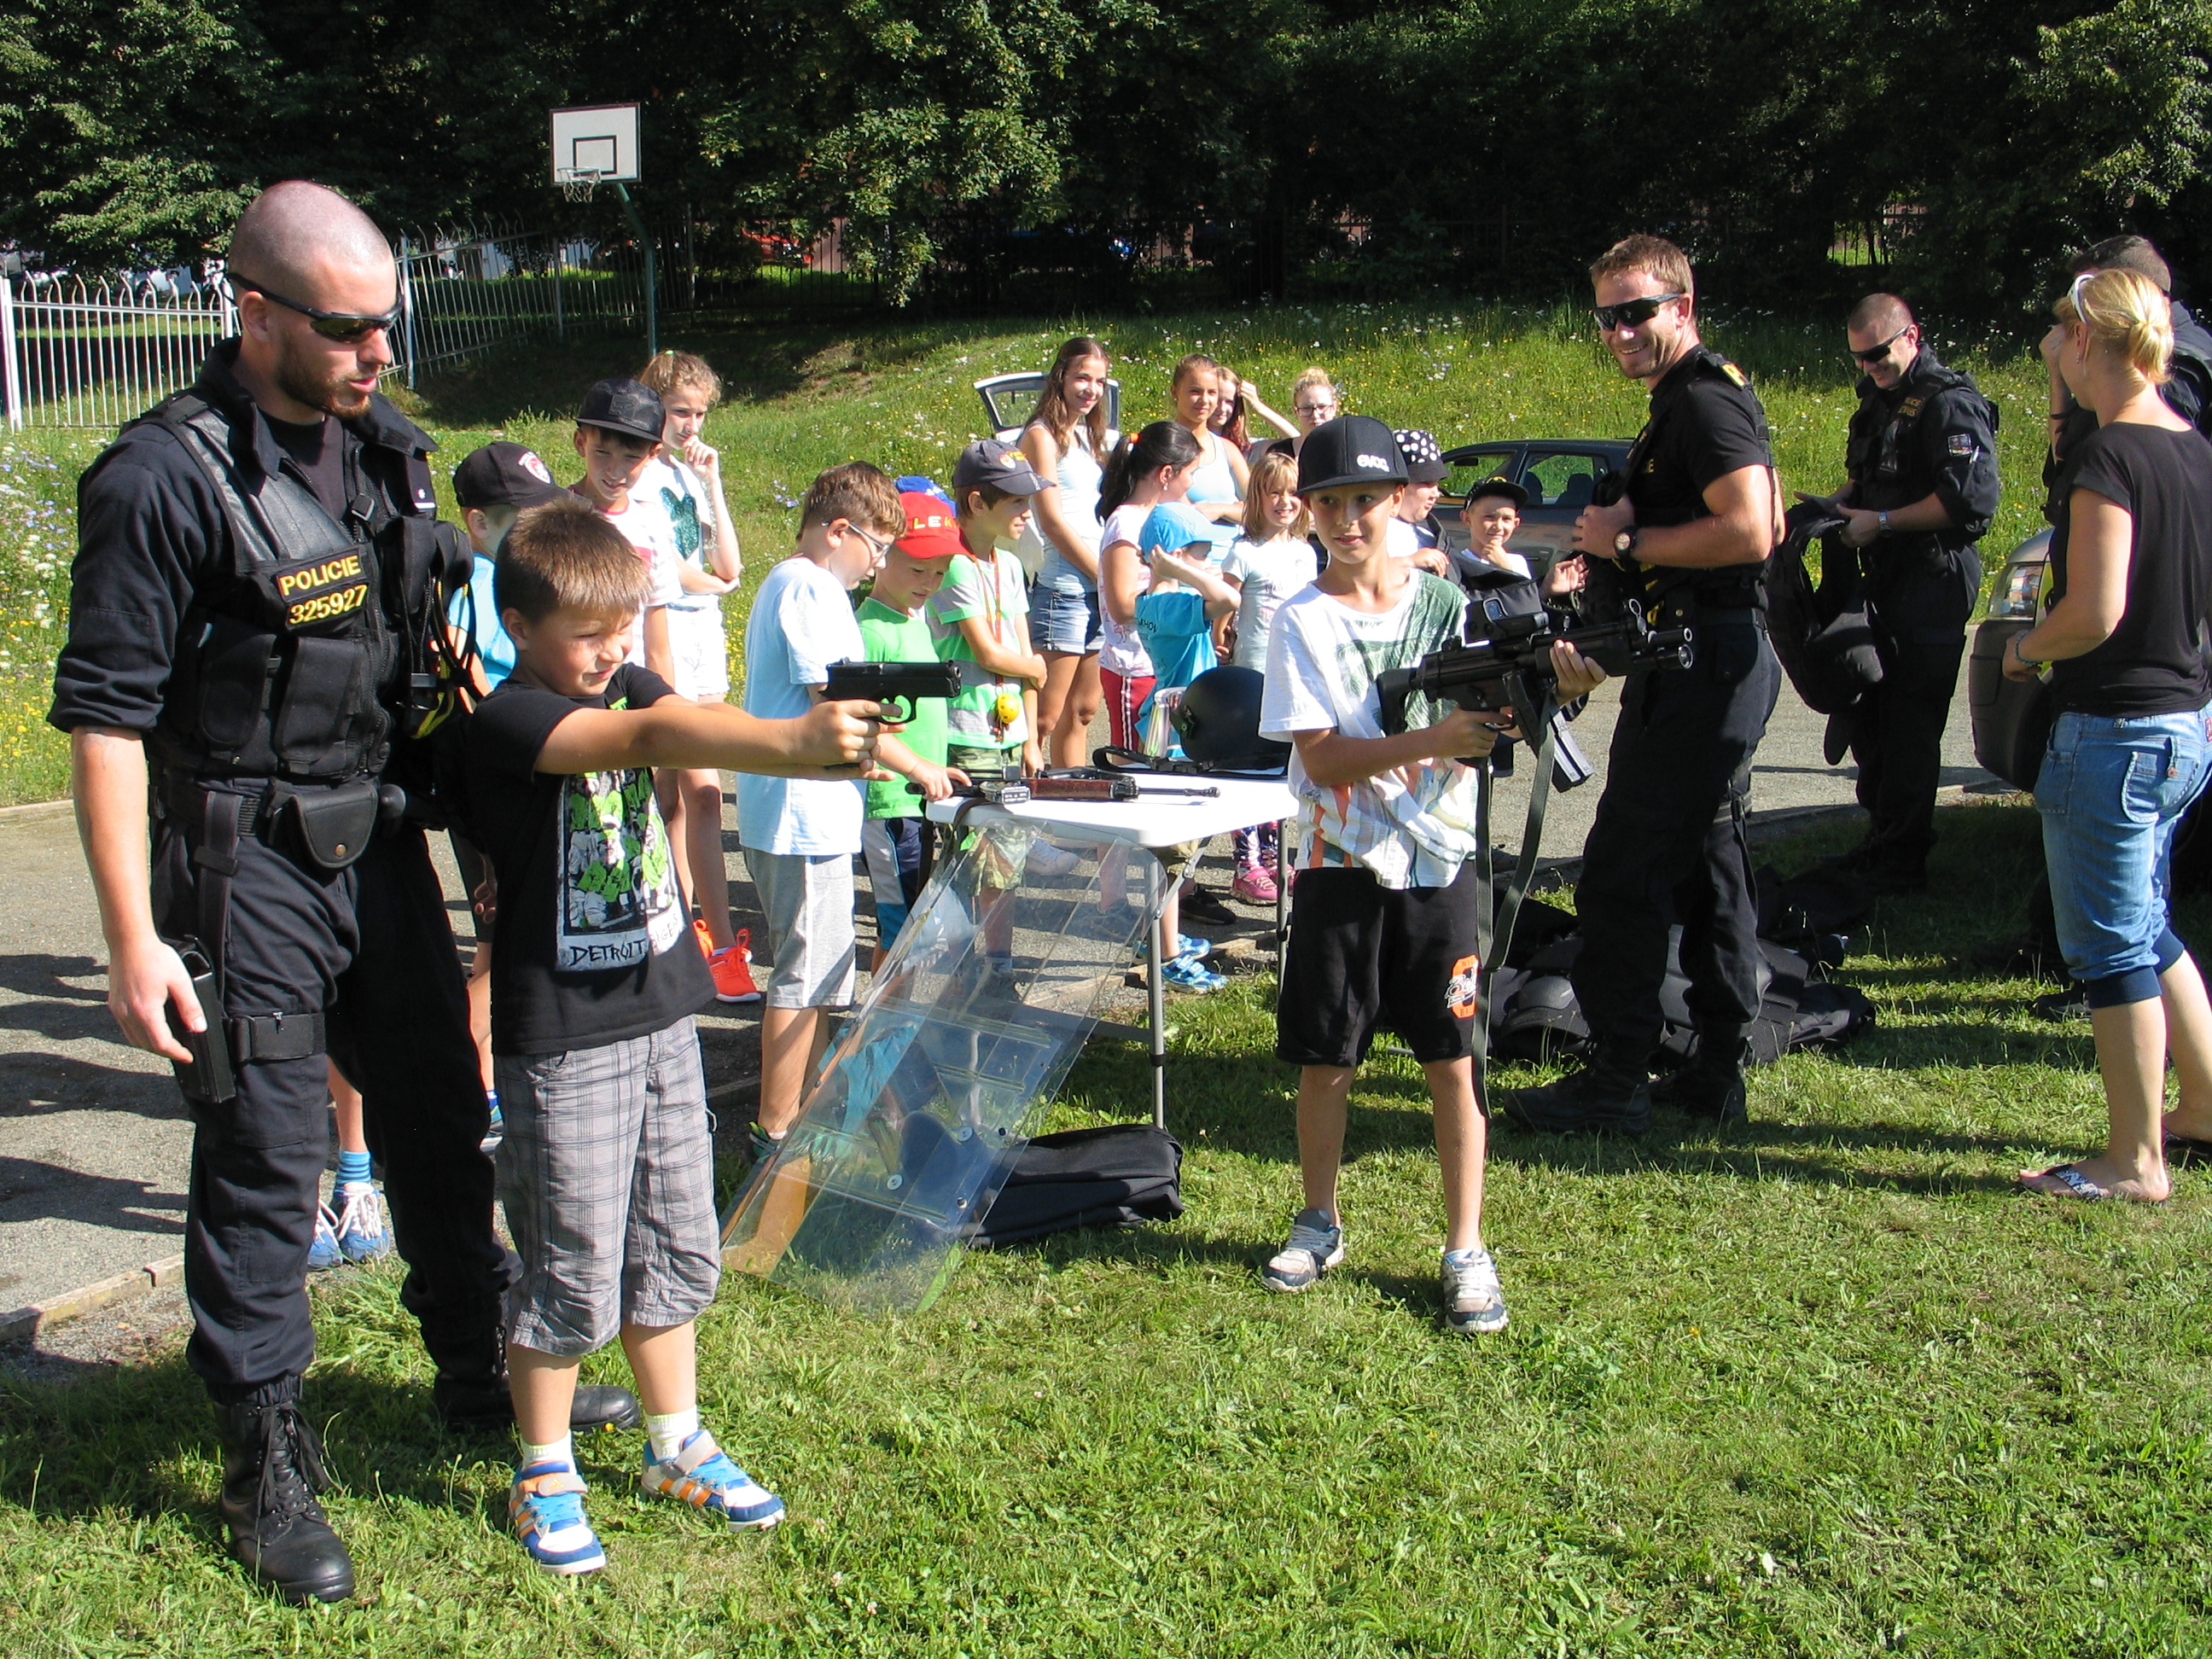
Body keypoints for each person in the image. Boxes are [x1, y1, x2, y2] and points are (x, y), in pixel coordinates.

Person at [46, 181, 637, 1607]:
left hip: (379, 839)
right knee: (267, 1153)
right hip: (243, 857)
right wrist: (133, 938)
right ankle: (263, 1449)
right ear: (253, 312)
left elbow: (446, 654)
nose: (378, 351)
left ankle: (476, 1365)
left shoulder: (389, 459)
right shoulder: (162, 477)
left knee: (442, 1112)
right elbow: (106, 720)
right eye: (349, 328)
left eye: (390, 324)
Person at [463, 499, 884, 1572]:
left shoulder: (617, 673)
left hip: (659, 1019)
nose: (612, 655)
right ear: (518, 626)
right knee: (574, 1262)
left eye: (624, 628)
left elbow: (678, 704)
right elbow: (648, 735)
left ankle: (673, 1441)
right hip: (562, 1039)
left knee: (673, 1244)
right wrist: (793, 743)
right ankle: (545, 1466)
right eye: (585, 636)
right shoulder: (512, 725)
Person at [1254, 415, 1605, 1331]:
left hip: (1442, 863)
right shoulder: (1300, 618)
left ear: (1400, 502)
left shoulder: (1450, 608)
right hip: (1339, 865)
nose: (1347, 519)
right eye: (1327, 503)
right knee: (1328, 1058)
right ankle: (1319, 1218)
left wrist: (1558, 690)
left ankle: (1465, 1247)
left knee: (1454, 1063)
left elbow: (1506, 719)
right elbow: (1323, 760)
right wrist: (1434, 739)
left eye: (1363, 500)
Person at [1504, 234, 1783, 1136]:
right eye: (1607, 317)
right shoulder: (1688, 400)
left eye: (1637, 312)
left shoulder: (1704, 403)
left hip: (1709, 663)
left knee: (1624, 873)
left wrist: (1621, 543)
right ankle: (1712, 1065)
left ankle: (1618, 1074)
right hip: (1699, 661)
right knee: (1709, 868)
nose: (1620, 331)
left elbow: (1752, 530)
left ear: (1683, 308)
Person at [2005, 269, 2212, 1203]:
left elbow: (2093, 609)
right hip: (2184, 725)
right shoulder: (2193, 448)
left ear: (2090, 340)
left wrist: (2025, 653)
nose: (2052, 350)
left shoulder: (2111, 459)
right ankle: (2200, 1108)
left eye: (2061, 336)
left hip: (2115, 734)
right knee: (2147, 926)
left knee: (2111, 948)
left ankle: (2134, 1163)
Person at [738, 463, 950, 1170]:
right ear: (839, 532)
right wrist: (913, 762)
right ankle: (773, 1132)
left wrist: (906, 757)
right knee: (806, 973)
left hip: (815, 813)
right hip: (800, 816)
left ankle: (801, 1117)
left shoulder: (811, 586)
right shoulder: (806, 585)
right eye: (878, 548)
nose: (880, 565)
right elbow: (834, 698)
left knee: (827, 970)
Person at [1813, 293, 2001, 894]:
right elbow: (1872, 478)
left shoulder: (1949, 404)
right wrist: (1835, 507)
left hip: (1933, 576)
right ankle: (1883, 837)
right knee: (1874, 714)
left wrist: (1885, 523)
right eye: (1860, 359)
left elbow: (1968, 502)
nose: (1870, 366)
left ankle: (1903, 859)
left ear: (1912, 335)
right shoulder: (1880, 398)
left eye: (1879, 354)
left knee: (1912, 723)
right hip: (1886, 573)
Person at [449, 441, 569, 1144]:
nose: (528, 530)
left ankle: (496, 1078)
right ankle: (483, 1087)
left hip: (531, 779)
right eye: (514, 518)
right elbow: (470, 695)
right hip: (493, 786)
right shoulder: (470, 585)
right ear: (475, 522)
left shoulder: (517, 583)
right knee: (496, 946)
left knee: (516, 939)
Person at [634, 350, 754, 1001]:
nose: (691, 425)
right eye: (681, 411)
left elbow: (728, 560)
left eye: (700, 413)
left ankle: (695, 934)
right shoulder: (643, 477)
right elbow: (668, 566)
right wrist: (717, 581)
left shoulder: (685, 473)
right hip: (667, 629)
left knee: (689, 795)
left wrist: (712, 483)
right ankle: (702, 936)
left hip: (705, 632)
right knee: (688, 791)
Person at [861, 492, 965, 965]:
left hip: (922, 799)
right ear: (881, 557)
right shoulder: (869, 630)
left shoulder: (914, 622)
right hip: (890, 805)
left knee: (919, 922)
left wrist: (936, 768)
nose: (930, 582)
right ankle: (881, 1033)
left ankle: (898, 1025)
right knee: (900, 928)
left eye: (940, 571)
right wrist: (918, 769)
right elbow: (864, 722)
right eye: (918, 568)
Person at [1220, 451, 1317, 901]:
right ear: (1256, 497)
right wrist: (1221, 637)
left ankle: (1276, 856)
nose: (1284, 502)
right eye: (1273, 492)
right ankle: (1246, 862)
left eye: (1292, 493)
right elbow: (1224, 605)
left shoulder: (1304, 553)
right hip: (1251, 672)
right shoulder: (1243, 551)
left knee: (1282, 769)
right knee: (1247, 770)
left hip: (1292, 674)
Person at [1021, 337, 1116, 768]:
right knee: (1042, 717)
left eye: (1099, 381)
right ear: (1061, 377)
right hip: (1064, 589)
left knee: (1082, 712)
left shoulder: (1085, 437)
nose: (1090, 389)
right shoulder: (1041, 435)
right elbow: (1052, 522)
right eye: (1082, 377)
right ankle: (1021, 811)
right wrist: (1102, 574)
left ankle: (1068, 806)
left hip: (1095, 588)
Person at [933, 439, 1049, 784]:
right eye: (1017, 501)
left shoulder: (1011, 564)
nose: (1028, 512)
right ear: (977, 503)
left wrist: (1031, 741)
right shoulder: (954, 564)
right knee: (977, 837)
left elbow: (1025, 660)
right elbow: (988, 653)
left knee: (1012, 836)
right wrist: (1035, 667)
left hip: (1012, 734)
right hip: (967, 735)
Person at [1097, 421, 1202, 750]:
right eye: (1191, 474)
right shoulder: (1126, 523)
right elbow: (1122, 606)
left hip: (1162, 665)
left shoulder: (1161, 518)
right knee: (1133, 766)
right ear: (1167, 474)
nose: (1192, 483)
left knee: (1162, 763)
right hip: (1134, 668)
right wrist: (1174, 598)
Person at [568, 378, 678, 684]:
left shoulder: (650, 529)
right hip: (567, 686)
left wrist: (666, 716)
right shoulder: (555, 517)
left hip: (626, 686)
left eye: (630, 457)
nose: (615, 471)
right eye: (602, 453)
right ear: (581, 443)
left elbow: (658, 647)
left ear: (653, 454)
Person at [1169, 354, 1249, 556]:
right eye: (1195, 391)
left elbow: (1260, 510)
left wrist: (1223, 510)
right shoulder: (1161, 445)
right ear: (1175, 392)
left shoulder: (1227, 449)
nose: (1204, 400)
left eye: (1212, 392)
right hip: (1179, 568)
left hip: (1228, 571)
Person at [1387, 428, 1452, 577]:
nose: (1435, 494)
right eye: (1426, 483)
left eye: (1437, 485)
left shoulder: (1429, 535)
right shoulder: (1372, 531)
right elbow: (1357, 575)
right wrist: (1410, 562)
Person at [1250, 368, 1340, 463]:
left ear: (1334, 407)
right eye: (1306, 408)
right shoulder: (1281, 454)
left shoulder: (1346, 450)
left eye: (1322, 407)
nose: (1315, 415)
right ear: (1296, 412)